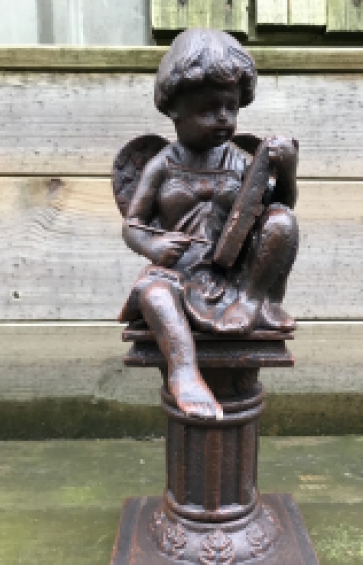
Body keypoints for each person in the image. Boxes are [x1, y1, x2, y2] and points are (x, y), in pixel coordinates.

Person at [119, 28, 299, 420]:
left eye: (230, 108)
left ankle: (251, 305)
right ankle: (184, 374)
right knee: (154, 294)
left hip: (234, 280)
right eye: (208, 110)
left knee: (283, 220)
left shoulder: (240, 160)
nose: (223, 119)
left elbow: (275, 214)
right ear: (175, 111)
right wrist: (154, 247)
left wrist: (287, 173)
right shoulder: (162, 164)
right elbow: (133, 224)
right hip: (178, 276)